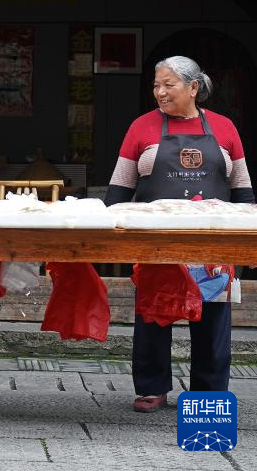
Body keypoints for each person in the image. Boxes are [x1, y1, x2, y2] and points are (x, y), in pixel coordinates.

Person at [105, 55, 254, 413]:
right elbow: (119, 189)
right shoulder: (141, 127)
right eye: (156, 85)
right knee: (154, 314)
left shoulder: (225, 128)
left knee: (213, 320)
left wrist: (248, 239)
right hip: (156, 240)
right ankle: (152, 387)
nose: (160, 92)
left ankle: (208, 393)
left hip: (212, 242)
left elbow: (243, 190)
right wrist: (111, 230)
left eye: (168, 85)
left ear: (193, 87)